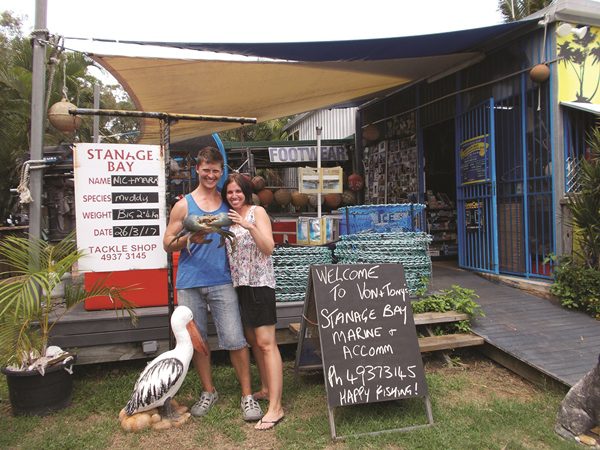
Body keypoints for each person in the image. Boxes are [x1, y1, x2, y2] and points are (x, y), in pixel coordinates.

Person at [163, 147, 263, 422]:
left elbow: (246, 223)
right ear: (198, 169)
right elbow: (166, 243)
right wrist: (187, 240)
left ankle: (247, 396)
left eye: (215, 171)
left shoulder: (228, 201)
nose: (210, 175)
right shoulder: (184, 205)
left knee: (234, 339)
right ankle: (209, 391)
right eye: (206, 170)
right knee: (198, 342)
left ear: (221, 172)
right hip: (190, 281)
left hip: (223, 279)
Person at [222, 173, 285, 431]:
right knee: (254, 342)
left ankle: (276, 407)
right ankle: (266, 388)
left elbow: (269, 247)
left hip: (260, 284)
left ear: (246, 192)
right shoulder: (226, 218)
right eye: (229, 193)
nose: (234, 196)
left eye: (238, 191)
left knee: (267, 343)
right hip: (241, 287)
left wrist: (248, 226)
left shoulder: (256, 212)